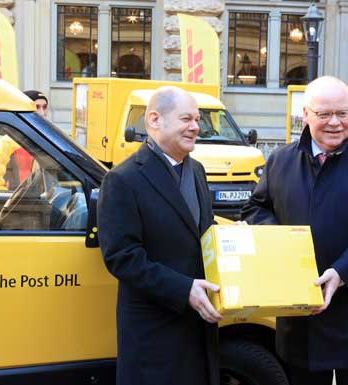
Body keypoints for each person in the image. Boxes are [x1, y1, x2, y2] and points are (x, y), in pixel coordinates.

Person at [242, 76, 348, 385]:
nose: (335, 123)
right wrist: (282, 244)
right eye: (324, 114)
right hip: (300, 321)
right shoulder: (280, 161)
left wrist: (342, 272)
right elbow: (255, 209)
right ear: (306, 114)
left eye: (343, 113)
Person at [97, 86, 222, 385]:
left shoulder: (198, 171)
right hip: (154, 334)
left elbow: (200, 233)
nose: (195, 127)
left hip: (199, 331)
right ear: (154, 120)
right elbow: (122, 258)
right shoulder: (122, 179)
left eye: (197, 119)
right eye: (186, 119)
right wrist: (183, 289)